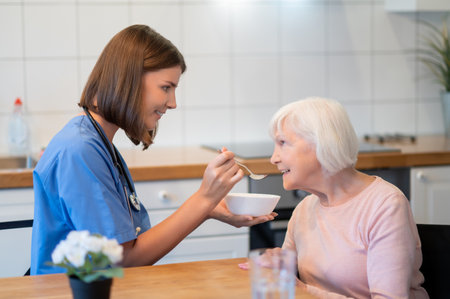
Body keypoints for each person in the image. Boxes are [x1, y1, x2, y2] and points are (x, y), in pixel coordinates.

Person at [30, 24, 276, 275]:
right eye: (166, 87)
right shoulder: (80, 151)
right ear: (130, 79)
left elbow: (131, 248)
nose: (173, 103)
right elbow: (124, 261)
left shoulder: (96, 141)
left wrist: (208, 208)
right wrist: (203, 199)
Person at [268, 97, 429, 298]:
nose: (273, 158)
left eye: (283, 143)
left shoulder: (385, 205)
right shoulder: (304, 209)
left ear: (321, 143)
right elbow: (288, 277)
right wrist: (277, 264)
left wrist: (304, 291)